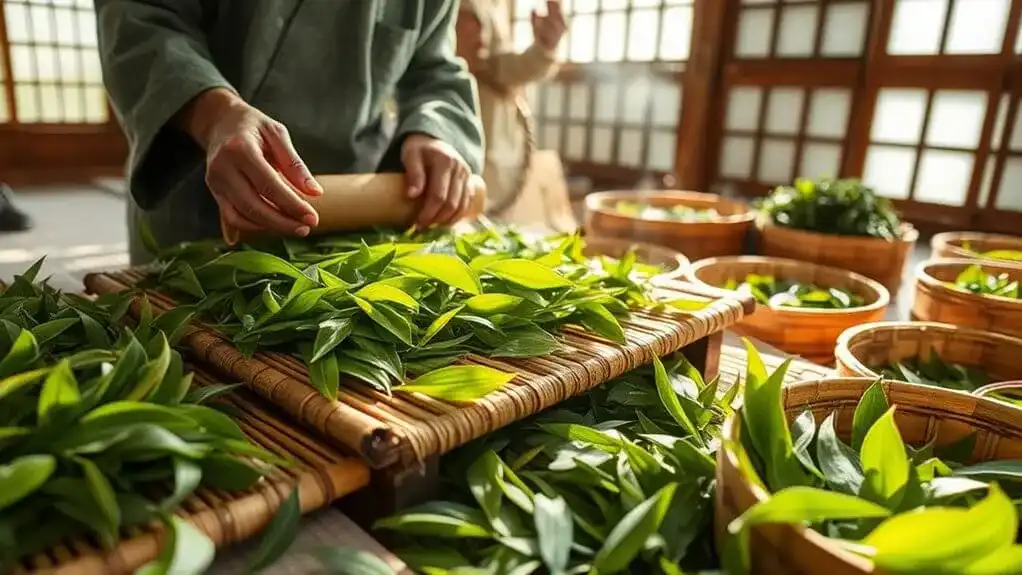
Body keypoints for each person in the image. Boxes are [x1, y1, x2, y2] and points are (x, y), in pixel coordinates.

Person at [95, 0, 485, 265]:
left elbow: (434, 69)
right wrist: (216, 115)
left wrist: (435, 132)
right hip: (199, 202)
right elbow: (140, 16)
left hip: (349, 222)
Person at [455, 0, 566, 217]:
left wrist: (544, 48)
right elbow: (480, 63)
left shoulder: (498, 5)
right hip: (462, 126)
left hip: (500, 139)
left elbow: (500, 66)